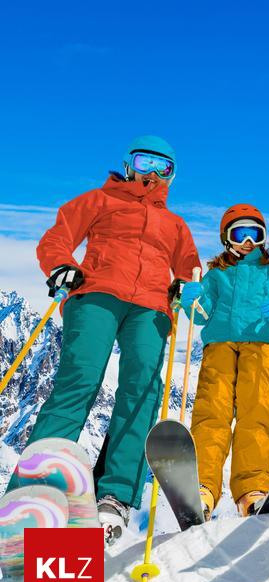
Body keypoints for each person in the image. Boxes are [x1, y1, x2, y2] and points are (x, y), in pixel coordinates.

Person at [19, 135, 200, 544]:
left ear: (172, 175)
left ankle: (115, 495)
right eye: (144, 162)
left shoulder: (175, 225)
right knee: (77, 383)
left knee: (141, 393)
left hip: (152, 308)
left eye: (163, 167)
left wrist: (189, 287)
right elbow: (57, 237)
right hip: (97, 293)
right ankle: (38, 487)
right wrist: (62, 266)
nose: (152, 173)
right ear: (127, 164)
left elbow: (191, 268)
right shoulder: (99, 200)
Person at [177, 204, 269, 518]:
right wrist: (194, 302)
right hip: (221, 345)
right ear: (226, 238)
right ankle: (202, 488)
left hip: (261, 345)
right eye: (239, 233)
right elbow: (202, 315)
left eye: (254, 234)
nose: (247, 241)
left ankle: (253, 489)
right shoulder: (217, 274)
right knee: (211, 414)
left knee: (258, 415)